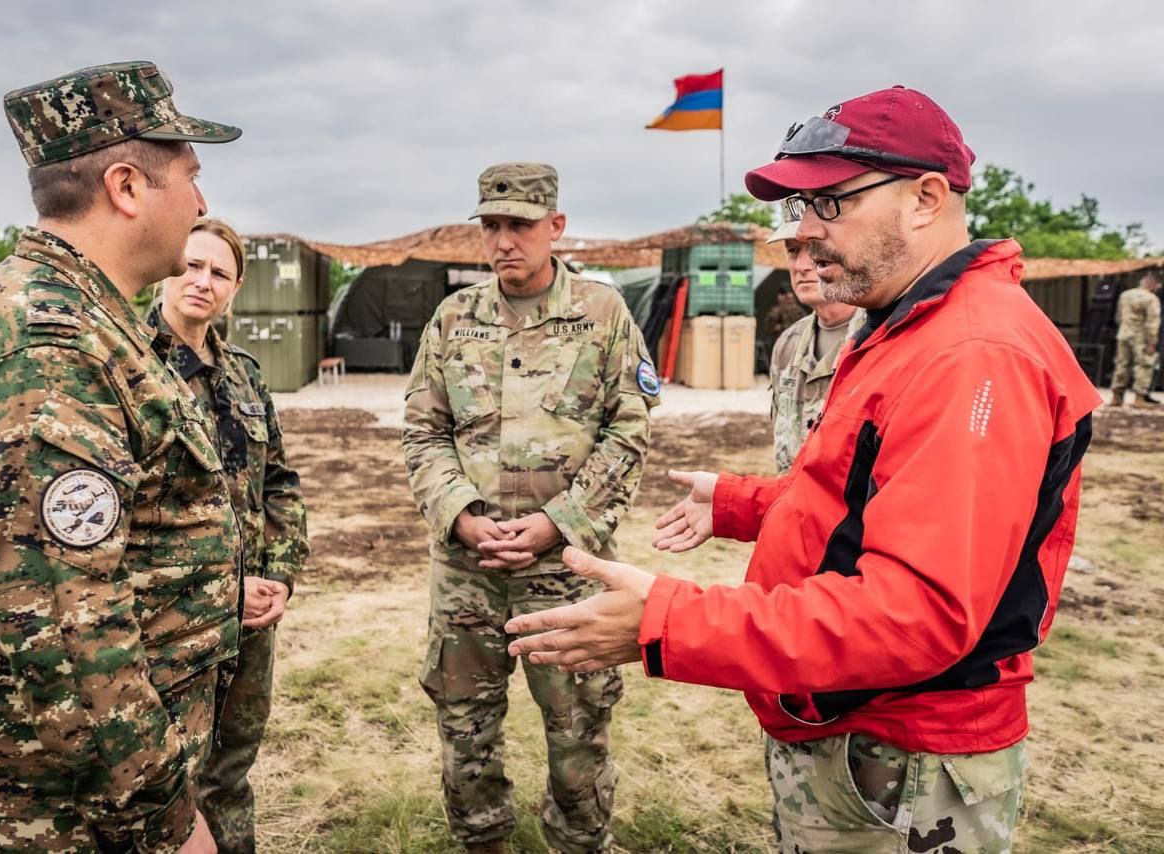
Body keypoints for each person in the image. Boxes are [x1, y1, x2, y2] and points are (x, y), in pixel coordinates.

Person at [504, 87, 1103, 853]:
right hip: (858, 729)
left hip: (901, 759)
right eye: (798, 208)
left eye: (829, 202)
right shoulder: (915, 326)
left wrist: (667, 622)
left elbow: (914, 612)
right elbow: (870, 495)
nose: (805, 231)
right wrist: (740, 503)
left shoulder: (971, 354)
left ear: (926, 198)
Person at [0, 61, 242, 853]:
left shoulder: (85, 319)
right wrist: (166, 824)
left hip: (100, 775)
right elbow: (67, 627)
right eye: (192, 178)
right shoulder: (46, 346)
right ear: (128, 187)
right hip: (72, 804)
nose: (203, 204)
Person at [401, 162, 659, 853]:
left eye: (519, 224)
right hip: (468, 568)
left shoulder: (603, 314)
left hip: (567, 570)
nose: (504, 239)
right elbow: (423, 430)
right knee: (464, 725)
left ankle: (578, 840)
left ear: (556, 227)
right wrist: (459, 514)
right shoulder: (454, 317)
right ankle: (480, 840)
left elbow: (629, 431)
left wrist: (559, 523)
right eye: (492, 225)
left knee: (578, 725)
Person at [149, 219, 309, 854]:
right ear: (167, 268)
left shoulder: (243, 373)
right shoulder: (129, 366)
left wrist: (281, 577)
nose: (201, 282)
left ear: (236, 287)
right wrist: (219, 594)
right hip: (171, 627)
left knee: (231, 771)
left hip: (250, 623)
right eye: (190, 266)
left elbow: (280, 483)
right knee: (163, 780)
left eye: (218, 273)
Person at [766, 200, 864, 473]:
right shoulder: (789, 343)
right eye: (793, 251)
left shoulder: (880, 337)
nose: (801, 265)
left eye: (813, 249)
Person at [1110, 271, 1161, 406]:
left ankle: (1116, 396)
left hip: (1123, 334)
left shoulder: (1125, 295)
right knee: (1144, 365)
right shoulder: (1151, 299)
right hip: (1141, 337)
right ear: (1153, 285)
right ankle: (1139, 398)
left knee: (1121, 364)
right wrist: (1152, 342)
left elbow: (1118, 317)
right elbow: (1152, 322)